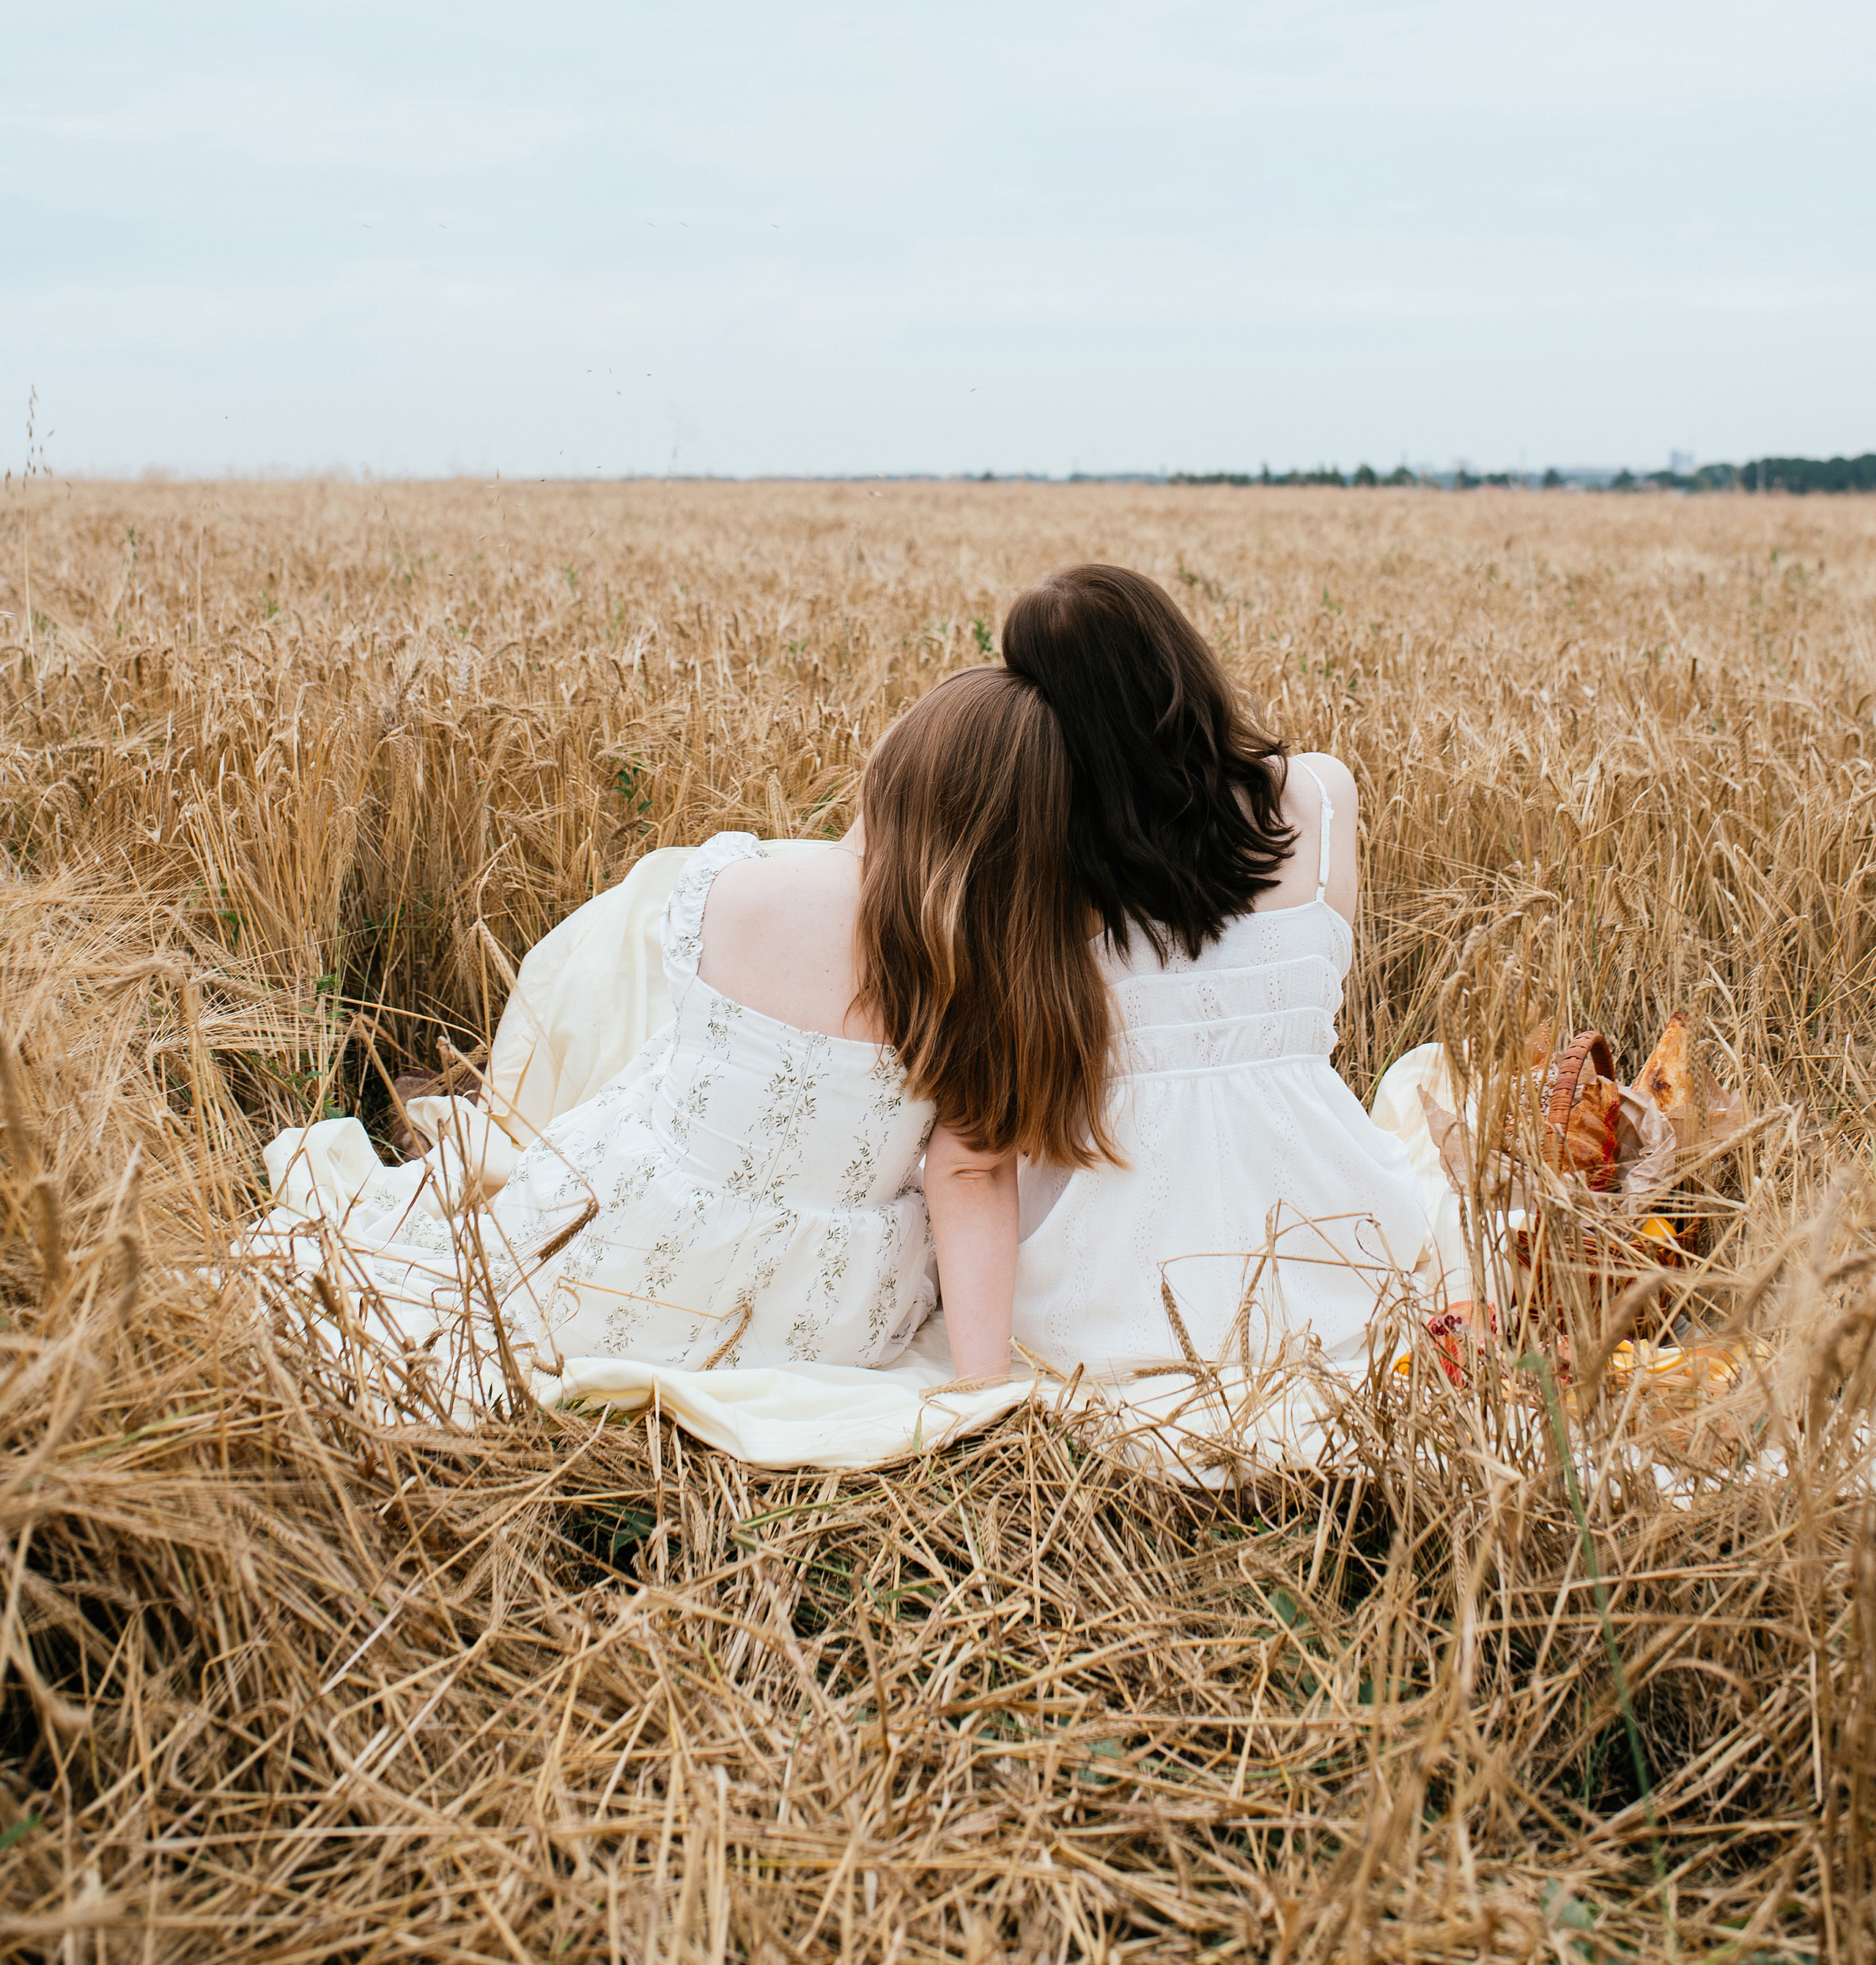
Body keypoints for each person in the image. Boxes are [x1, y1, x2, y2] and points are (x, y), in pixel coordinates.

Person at [269, 664, 1114, 1394]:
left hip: (620, 1243)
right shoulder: (983, 983)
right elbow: (969, 1177)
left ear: (889, 777)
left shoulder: (736, 885)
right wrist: (981, 1386)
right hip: (820, 1313)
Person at [995, 561, 1430, 1382]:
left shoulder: (1047, 854)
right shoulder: (1323, 793)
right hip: (1330, 1226)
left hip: (1111, 1269)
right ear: (1182, 658)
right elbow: (1311, 1008)